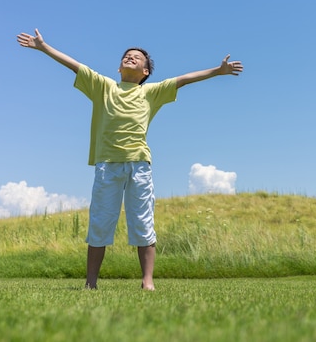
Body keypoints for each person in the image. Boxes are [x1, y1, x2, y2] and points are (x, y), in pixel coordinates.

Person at [16, 28, 243, 290]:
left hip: (139, 166)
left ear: (146, 72)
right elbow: (76, 66)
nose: (131, 57)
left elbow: (183, 80)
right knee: (100, 222)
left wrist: (217, 71)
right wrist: (44, 48)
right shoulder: (104, 86)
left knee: (143, 221)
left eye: (137, 57)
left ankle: (147, 281)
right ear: (119, 67)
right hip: (107, 166)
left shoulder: (151, 93)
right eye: (127, 55)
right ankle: (91, 283)